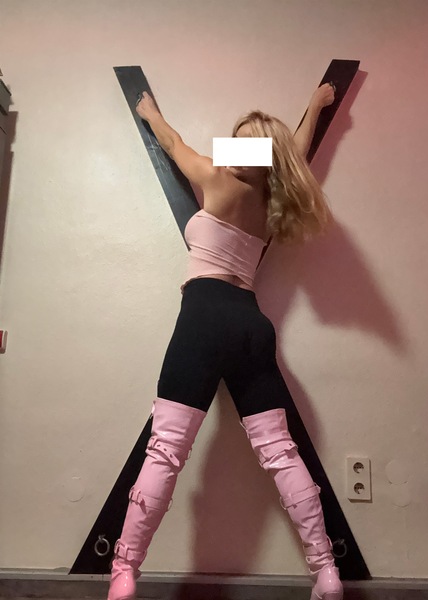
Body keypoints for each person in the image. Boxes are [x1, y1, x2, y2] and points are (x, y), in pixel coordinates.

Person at [107, 83, 343, 600]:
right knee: (281, 453)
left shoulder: (217, 178)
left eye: (243, 143)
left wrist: (150, 112)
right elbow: (296, 151)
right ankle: (326, 571)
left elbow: (173, 143)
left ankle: (124, 571)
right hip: (251, 324)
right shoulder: (273, 201)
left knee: (165, 451)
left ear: (257, 154)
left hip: (204, 317)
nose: (233, 150)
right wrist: (316, 106)